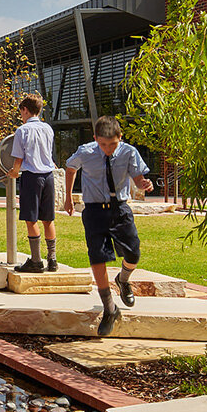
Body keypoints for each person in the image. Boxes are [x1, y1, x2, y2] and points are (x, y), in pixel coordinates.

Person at [63, 116, 153, 337]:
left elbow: (138, 177)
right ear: (95, 139)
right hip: (94, 210)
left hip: (119, 209)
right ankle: (109, 308)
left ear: (120, 138)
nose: (107, 149)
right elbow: (70, 168)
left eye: (112, 144)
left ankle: (123, 280)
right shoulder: (86, 151)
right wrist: (67, 197)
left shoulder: (129, 152)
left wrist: (144, 183)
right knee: (97, 257)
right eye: (102, 144)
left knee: (133, 253)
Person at [5, 94, 57, 272]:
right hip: (49, 176)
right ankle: (52, 260)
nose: (21, 115)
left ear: (25, 110)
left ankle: (36, 261)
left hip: (32, 177)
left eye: (21, 112)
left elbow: (19, 158)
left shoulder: (22, 130)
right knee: (48, 219)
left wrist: (13, 172)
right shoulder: (48, 128)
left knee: (31, 219)